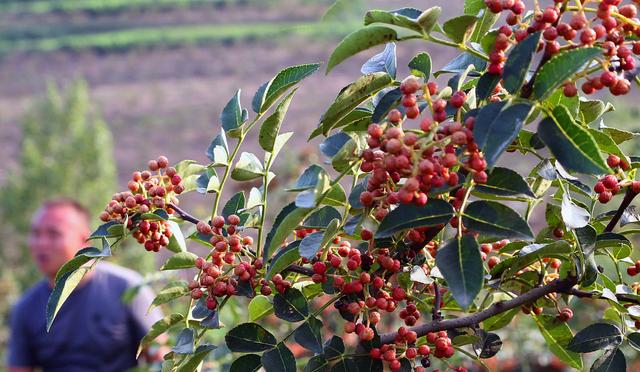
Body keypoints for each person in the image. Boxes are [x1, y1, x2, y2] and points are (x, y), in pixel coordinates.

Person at [7, 198, 165, 372]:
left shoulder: (127, 287)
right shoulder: (26, 307)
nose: (41, 243)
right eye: (36, 234)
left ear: (85, 238)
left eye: (54, 234)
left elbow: (160, 358)